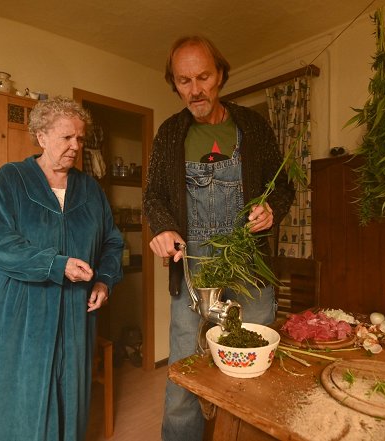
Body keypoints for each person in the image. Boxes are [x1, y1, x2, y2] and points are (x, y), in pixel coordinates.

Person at [143, 35, 295, 441]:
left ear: (221, 75)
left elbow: (283, 187)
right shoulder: (170, 134)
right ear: (175, 84)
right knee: (184, 376)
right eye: (184, 80)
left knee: (252, 372)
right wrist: (162, 227)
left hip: (249, 270)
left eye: (203, 77)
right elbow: (153, 197)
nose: (195, 90)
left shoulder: (253, 127)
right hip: (193, 274)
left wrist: (272, 209)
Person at [0, 96, 124, 440]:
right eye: (67, 137)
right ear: (41, 137)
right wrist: (56, 265)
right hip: (20, 318)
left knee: (70, 401)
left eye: (81, 139)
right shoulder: (10, 180)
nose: (76, 146)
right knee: (18, 405)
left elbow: (112, 242)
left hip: (75, 317)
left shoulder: (90, 190)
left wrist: (104, 281)